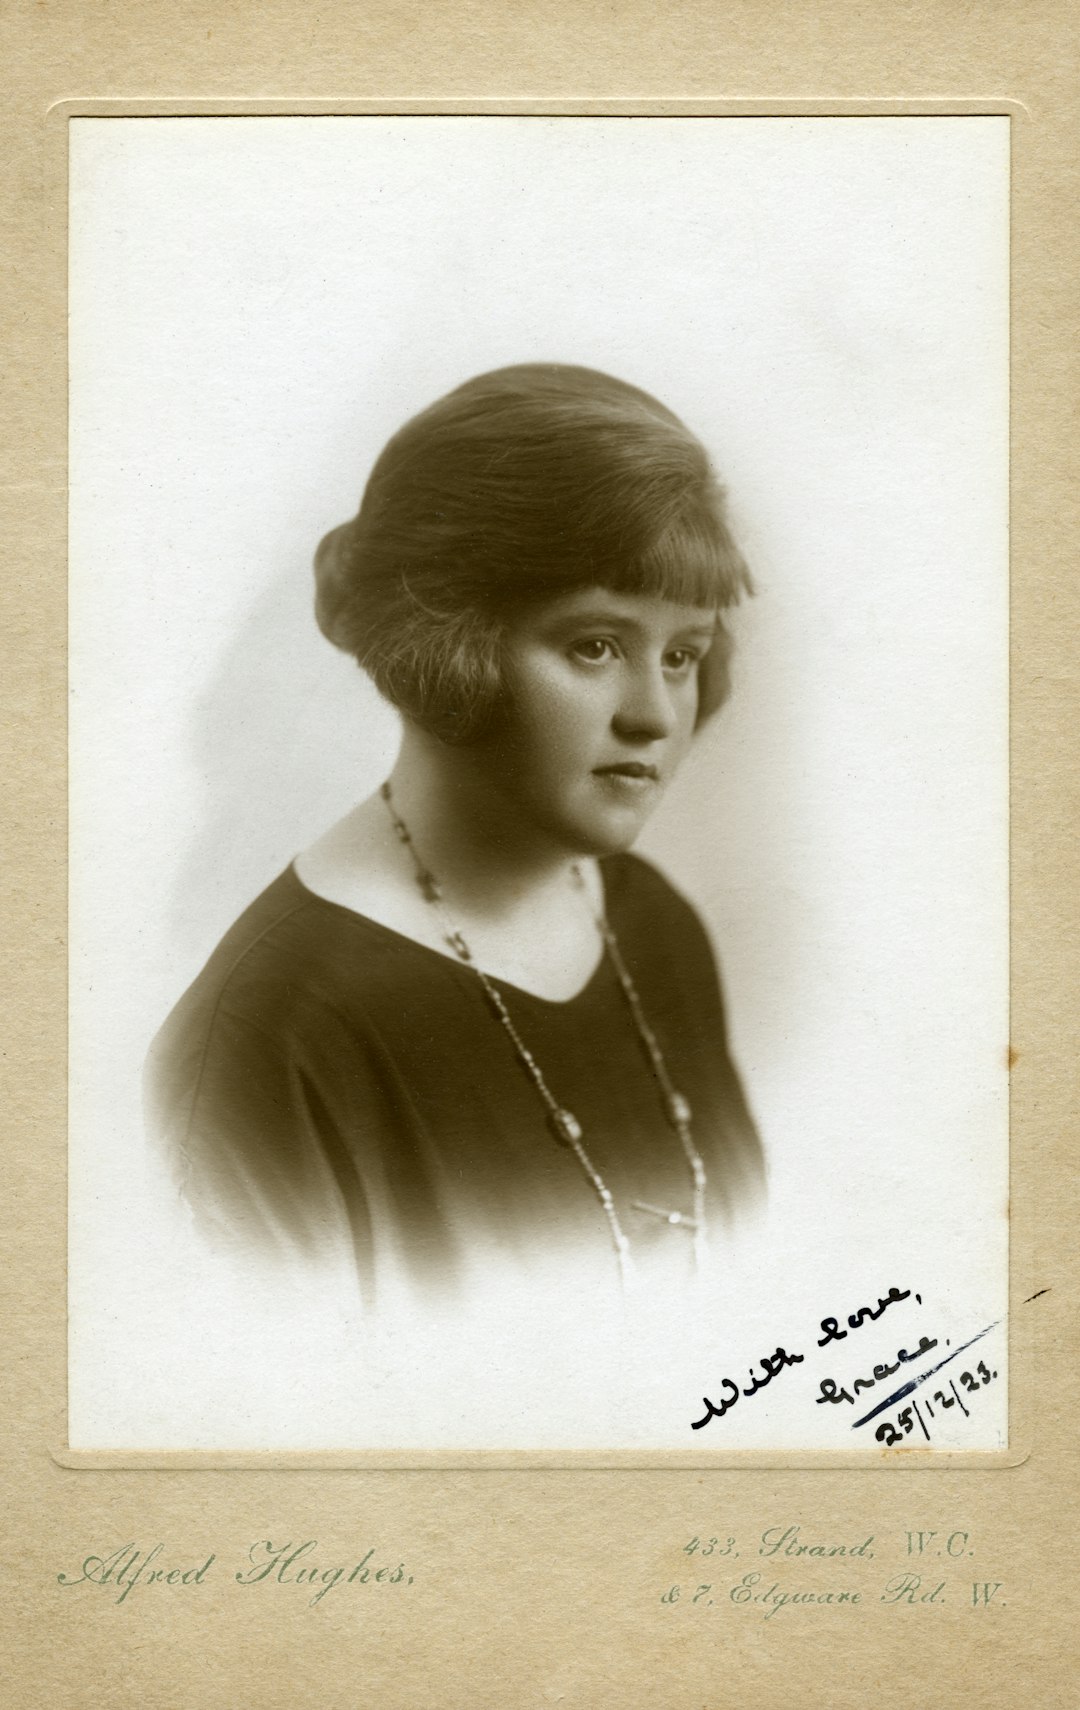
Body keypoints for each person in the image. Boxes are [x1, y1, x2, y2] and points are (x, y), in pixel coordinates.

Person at [145, 363, 763, 1314]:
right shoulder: (275, 1038)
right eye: (594, 644)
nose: (653, 714)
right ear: (448, 642)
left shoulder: (650, 923)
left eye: (682, 654)